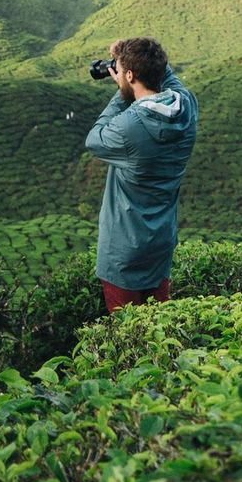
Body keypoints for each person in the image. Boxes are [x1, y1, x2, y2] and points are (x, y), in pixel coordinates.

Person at [85, 37, 198, 313]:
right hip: (161, 241)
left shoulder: (129, 127)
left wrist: (122, 90)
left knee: (129, 338)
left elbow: (94, 138)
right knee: (159, 328)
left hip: (123, 249)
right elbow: (163, 76)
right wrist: (132, 68)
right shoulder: (186, 105)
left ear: (131, 75)